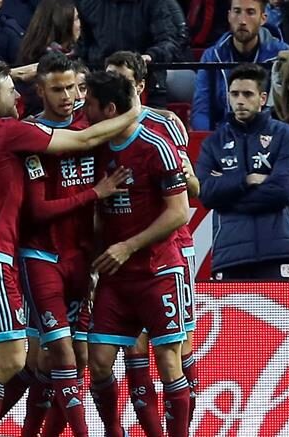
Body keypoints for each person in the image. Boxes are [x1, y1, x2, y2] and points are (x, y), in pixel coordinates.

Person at [0, 60, 140, 436]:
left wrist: (5, 76)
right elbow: (82, 140)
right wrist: (134, 111)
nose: (17, 97)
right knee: (11, 358)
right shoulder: (10, 131)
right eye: (10, 91)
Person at [9, 52, 128, 437]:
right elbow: (38, 210)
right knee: (57, 354)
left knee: (71, 358)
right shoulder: (30, 134)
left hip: (80, 257)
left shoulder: (89, 125)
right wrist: (95, 193)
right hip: (40, 255)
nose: (67, 96)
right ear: (40, 90)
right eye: (58, 89)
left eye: (73, 88)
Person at [85, 71, 190, 437]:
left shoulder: (155, 146)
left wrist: (128, 246)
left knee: (167, 359)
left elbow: (179, 212)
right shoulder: (94, 147)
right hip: (115, 276)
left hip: (157, 270)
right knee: (98, 362)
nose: (83, 111)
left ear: (109, 109)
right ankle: (115, 431)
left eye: (89, 104)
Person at [105, 50, 201, 433]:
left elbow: (191, 189)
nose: (114, 86)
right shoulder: (97, 128)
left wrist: (186, 176)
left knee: (177, 346)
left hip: (170, 247)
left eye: (122, 80)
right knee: (134, 347)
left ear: (141, 86)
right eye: (109, 77)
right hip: (122, 256)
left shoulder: (164, 126)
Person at [196, 63, 289, 280]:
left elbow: (284, 190)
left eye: (247, 94)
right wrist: (247, 180)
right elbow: (206, 193)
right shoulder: (213, 144)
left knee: (282, 308)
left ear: (262, 98)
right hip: (230, 254)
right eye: (234, 94)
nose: (240, 101)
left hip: (280, 249)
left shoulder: (287, 136)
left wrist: (227, 195)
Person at [191, 0, 289, 131]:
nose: (242, 21)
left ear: (263, 19)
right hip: (224, 135)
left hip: (268, 135)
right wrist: (208, 139)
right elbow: (201, 109)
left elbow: (286, 109)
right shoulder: (212, 56)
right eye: (237, 12)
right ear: (229, 16)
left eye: (250, 12)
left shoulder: (282, 54)